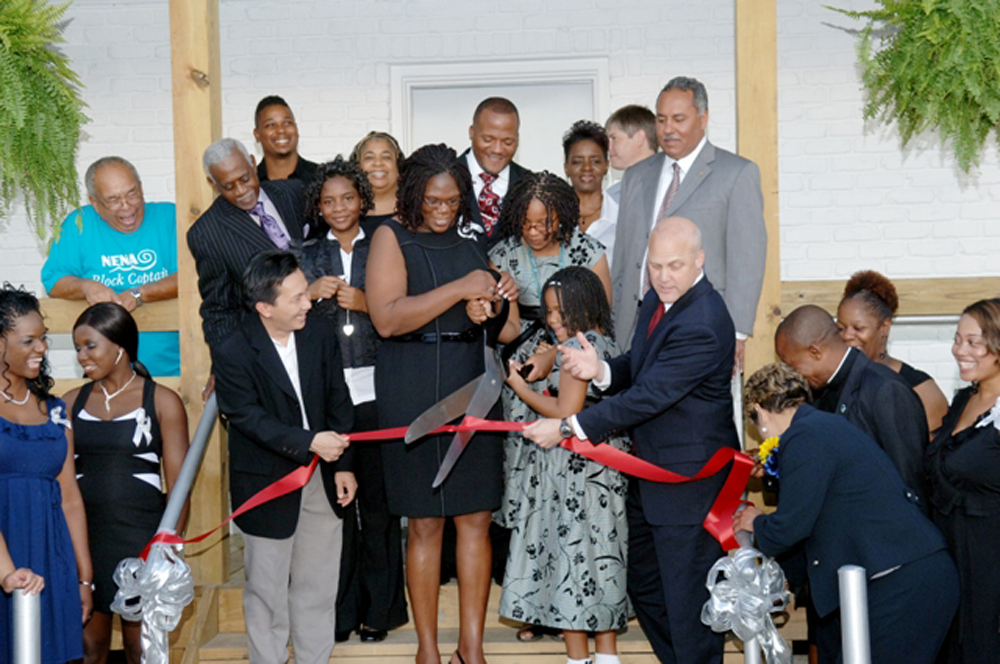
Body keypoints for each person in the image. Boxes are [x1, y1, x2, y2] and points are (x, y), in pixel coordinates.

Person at [525, 217, 739, 664]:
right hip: (651, 475)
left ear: (699, 261)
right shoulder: (658, 302)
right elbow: (639, 367)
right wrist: (600, 371)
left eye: (675, 265)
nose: (662, 275)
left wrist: (569, 426)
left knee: (686, 602)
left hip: (688, 482)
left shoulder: (703, 318)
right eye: (655, 266)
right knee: (644, 584)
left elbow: (650, 395)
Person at [366, 143, 507, 664]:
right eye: (433, 199)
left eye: (453, 199)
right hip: (411, 382)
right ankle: (428, 650)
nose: (444, 208)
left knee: (475, 516)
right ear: (412, 194)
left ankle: (471, 647)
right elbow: (387, 318)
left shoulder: (475, 238)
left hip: (475, 381)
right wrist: (459, 288)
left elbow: (491, 312)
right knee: (424, 522)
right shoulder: (390, 236)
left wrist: (492, 300)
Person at [734, 362, 959, 664]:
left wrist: (756, 522)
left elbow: (792, 525)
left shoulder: (803, 436)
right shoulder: (823, 428)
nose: (761, 435)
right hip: (912, 576)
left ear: (760, 411)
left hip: (902, 583)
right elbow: (823, 521)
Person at [213, 250, 356, 664]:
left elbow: (338, 399)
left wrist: (344, 465)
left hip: (324, 476)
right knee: (267, 593)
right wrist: (309, 442)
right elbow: (246, 418)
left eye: (304, 293)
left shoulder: (318, 332)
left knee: (317, 587)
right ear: (264, 307)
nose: (307, 303)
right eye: (294, 298)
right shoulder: (233, 349)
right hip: (267, 482)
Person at [300, 158, 407, 643]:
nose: (339, 207)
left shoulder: (387, 243)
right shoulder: (303, 256)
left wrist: (367, 301)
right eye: (328, 200)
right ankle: (339, 615)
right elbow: (284, 318)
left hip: (381, 391)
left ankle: (380, 613)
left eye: (348, 197)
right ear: (317, 207)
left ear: (362, 199)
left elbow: (402, 307)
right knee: (336, 513)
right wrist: (308, 293)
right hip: (328, 398)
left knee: (381, 508)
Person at [502, 267, 629, 664]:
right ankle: (606, 655)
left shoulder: (581, 345)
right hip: (605, 472)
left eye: (561, 311)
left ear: (585, 305)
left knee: (570, 563)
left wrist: (521, 389)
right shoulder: (605, 342)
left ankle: (578, 659)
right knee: (602, 561)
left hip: (577, 473)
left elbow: (566, 410)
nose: (553, 319)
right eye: (549, 312)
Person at [63, 303, 190, 664]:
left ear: (120, 347)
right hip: (86, 542)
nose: (81, 356)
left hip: (141, 543)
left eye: (90, 345)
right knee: (89, 649)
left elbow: (180, 489)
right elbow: (63, 484)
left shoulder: (162, 401)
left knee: (140, 649)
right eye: (77, 348)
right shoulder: (70, 404)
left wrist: (163, 553)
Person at [610, 77, 766, 364]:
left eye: (678, 119)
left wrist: (737, 333)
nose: (668, 129)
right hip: (635, 327)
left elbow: (748, 260)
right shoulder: (636, 175)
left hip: (703, 326)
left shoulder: (736, 174)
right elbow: (622, 256)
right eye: (661, 120)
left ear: (703, 118)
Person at [0, 285, 92, 664]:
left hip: (51, 556)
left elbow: (70, 496)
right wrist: (6, 571)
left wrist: (84, 577)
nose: (41, 348)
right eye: (28, 340)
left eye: (43, 339)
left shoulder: (55, 410)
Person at [775, 304, 929, 506]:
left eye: (793, 366)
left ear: (814, 351)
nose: (793, 375)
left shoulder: (886, 389)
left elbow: (909, 483)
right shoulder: (819, 392)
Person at [42, 156, 179, 376]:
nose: (126, 207)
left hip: (173, 369)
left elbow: (191, 277)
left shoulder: (170, 217)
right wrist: (87, 286)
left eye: (132, 194)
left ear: (141, 188)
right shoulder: (78, 224)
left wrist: (139, 293)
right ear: (94, 203)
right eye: (113, 200)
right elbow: (53, 281)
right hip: (104, 376)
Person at [926, 298, 1000, 663]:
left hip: (990, 569)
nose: (960, 351)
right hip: (950, 561)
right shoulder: (962, 400)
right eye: (958, 339)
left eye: (973, 342)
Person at [188, 138, 308, 356]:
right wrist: (227, 364)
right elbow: (219, 310)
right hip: (265, 351)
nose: (241, 191)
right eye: (228, 186)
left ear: (253, 163)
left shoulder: (294, 193)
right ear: (212, 183)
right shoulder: (207, 233)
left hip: (318, 338)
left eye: (245, 178)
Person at [837, 269, 949, 432]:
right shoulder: (833, 384)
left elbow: (935, 453)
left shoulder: (920, 388)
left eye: (858, 328)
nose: (847, 336)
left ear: (884, 327)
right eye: (840, 328)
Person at [457, 97, 530, 251]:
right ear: (472, 132)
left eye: (508, 142)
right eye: (488, 139)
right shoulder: (444, 177)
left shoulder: (530, 184)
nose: (497, 149)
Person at [562, 120, 617, 267]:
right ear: (566, 168)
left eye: (595, 161)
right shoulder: (552, 220)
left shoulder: (622, 220)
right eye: (578, 162)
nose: (587, 168)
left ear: (606, 165)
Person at [253, 95, 318, 183]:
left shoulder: (321, 178)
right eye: (271, 125)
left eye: (287, 123)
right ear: (257, 135)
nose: (281, 130)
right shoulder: (250, 184)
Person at [604, 104, 658, 209]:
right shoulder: (613, 196)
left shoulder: (671, 185)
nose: (608, 147)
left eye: (614, 138)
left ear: (639, 138)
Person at [351, 131, 404, 225]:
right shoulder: (345, 213)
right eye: (369, 158)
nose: (378, 163)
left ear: (398, 165)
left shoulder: (416, 210)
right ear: (358, 166)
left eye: (386, 157)